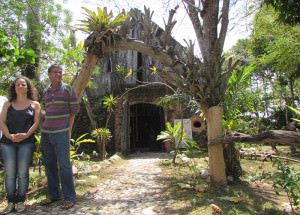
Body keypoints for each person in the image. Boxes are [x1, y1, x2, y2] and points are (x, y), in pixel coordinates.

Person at [40, 64, 80, 210]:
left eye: (60, 72)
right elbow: (46, 110)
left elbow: (74, 110)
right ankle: (54, 195)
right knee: (49, 164)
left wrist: (67, 129)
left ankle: (69, 197)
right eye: (55, 72)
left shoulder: (68, 89)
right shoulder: (45, 91)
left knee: (64, 165)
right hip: (46, 133)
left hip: (61, 132)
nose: (58, 74)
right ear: (49, 74)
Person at [0, 77, 41, 214]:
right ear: (14, 87)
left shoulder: (35, 104)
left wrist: (26, 135)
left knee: (23, 173)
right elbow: (2, 122)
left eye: (23, 84)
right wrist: (8, 135)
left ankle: (20, 201)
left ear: (28, 87)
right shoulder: (7, 104)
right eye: (17, 84)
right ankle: (11, 202)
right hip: (8, 143)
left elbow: (36, 123)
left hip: (26, 143)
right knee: (10, 173)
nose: (20, 86)